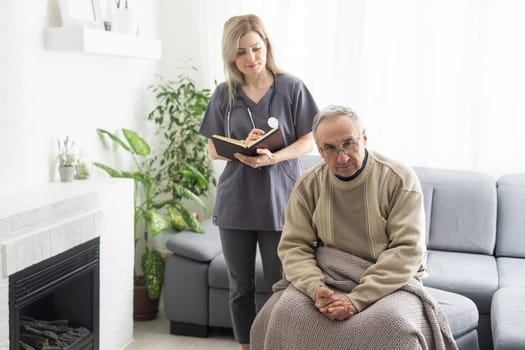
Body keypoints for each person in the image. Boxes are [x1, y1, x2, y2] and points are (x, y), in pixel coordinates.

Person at [250, 105, 457, 349]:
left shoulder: (398, 178)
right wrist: (316, 289)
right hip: (328, 277)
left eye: (349, 143)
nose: (342, 157)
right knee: (286, 313)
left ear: (365, 138)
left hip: (390, 282)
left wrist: (356, 300)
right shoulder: (308, 184)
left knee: (394, 326)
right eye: (330, 148)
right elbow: (295, 247)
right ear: (320, 150)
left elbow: (407, 251)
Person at [199, 14, 319, 350]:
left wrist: (274, 156)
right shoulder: (225, 94)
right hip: (236, 201)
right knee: (240, 287)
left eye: (256, 48)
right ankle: (246, 346)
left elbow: (309, 140)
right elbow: (212, 147)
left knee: (282, 284)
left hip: (279, 202)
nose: (251, 58)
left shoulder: (291, 87)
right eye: (241, 52)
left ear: (266, 45)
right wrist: (240, 149)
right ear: (230, 56)